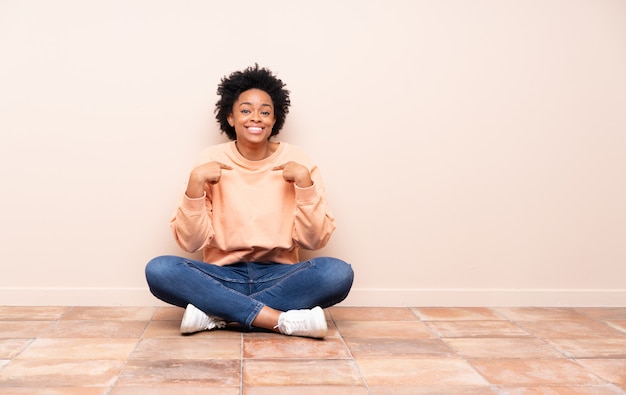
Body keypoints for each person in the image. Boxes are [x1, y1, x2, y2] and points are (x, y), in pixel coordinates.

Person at [145, 64, 354, 339]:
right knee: (159, 270)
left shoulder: (299, 161)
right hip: (221, 276)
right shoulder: (210, 159)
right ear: (230, 118)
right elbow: (191, 243)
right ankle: (278, 319)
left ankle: (219, 314)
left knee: (337, 273)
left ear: (274, 119)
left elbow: (314, 241)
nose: (255, 117)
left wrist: (305, 185)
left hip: (280, 275)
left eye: (264, 112)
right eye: (245, 110)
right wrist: (195, 186)